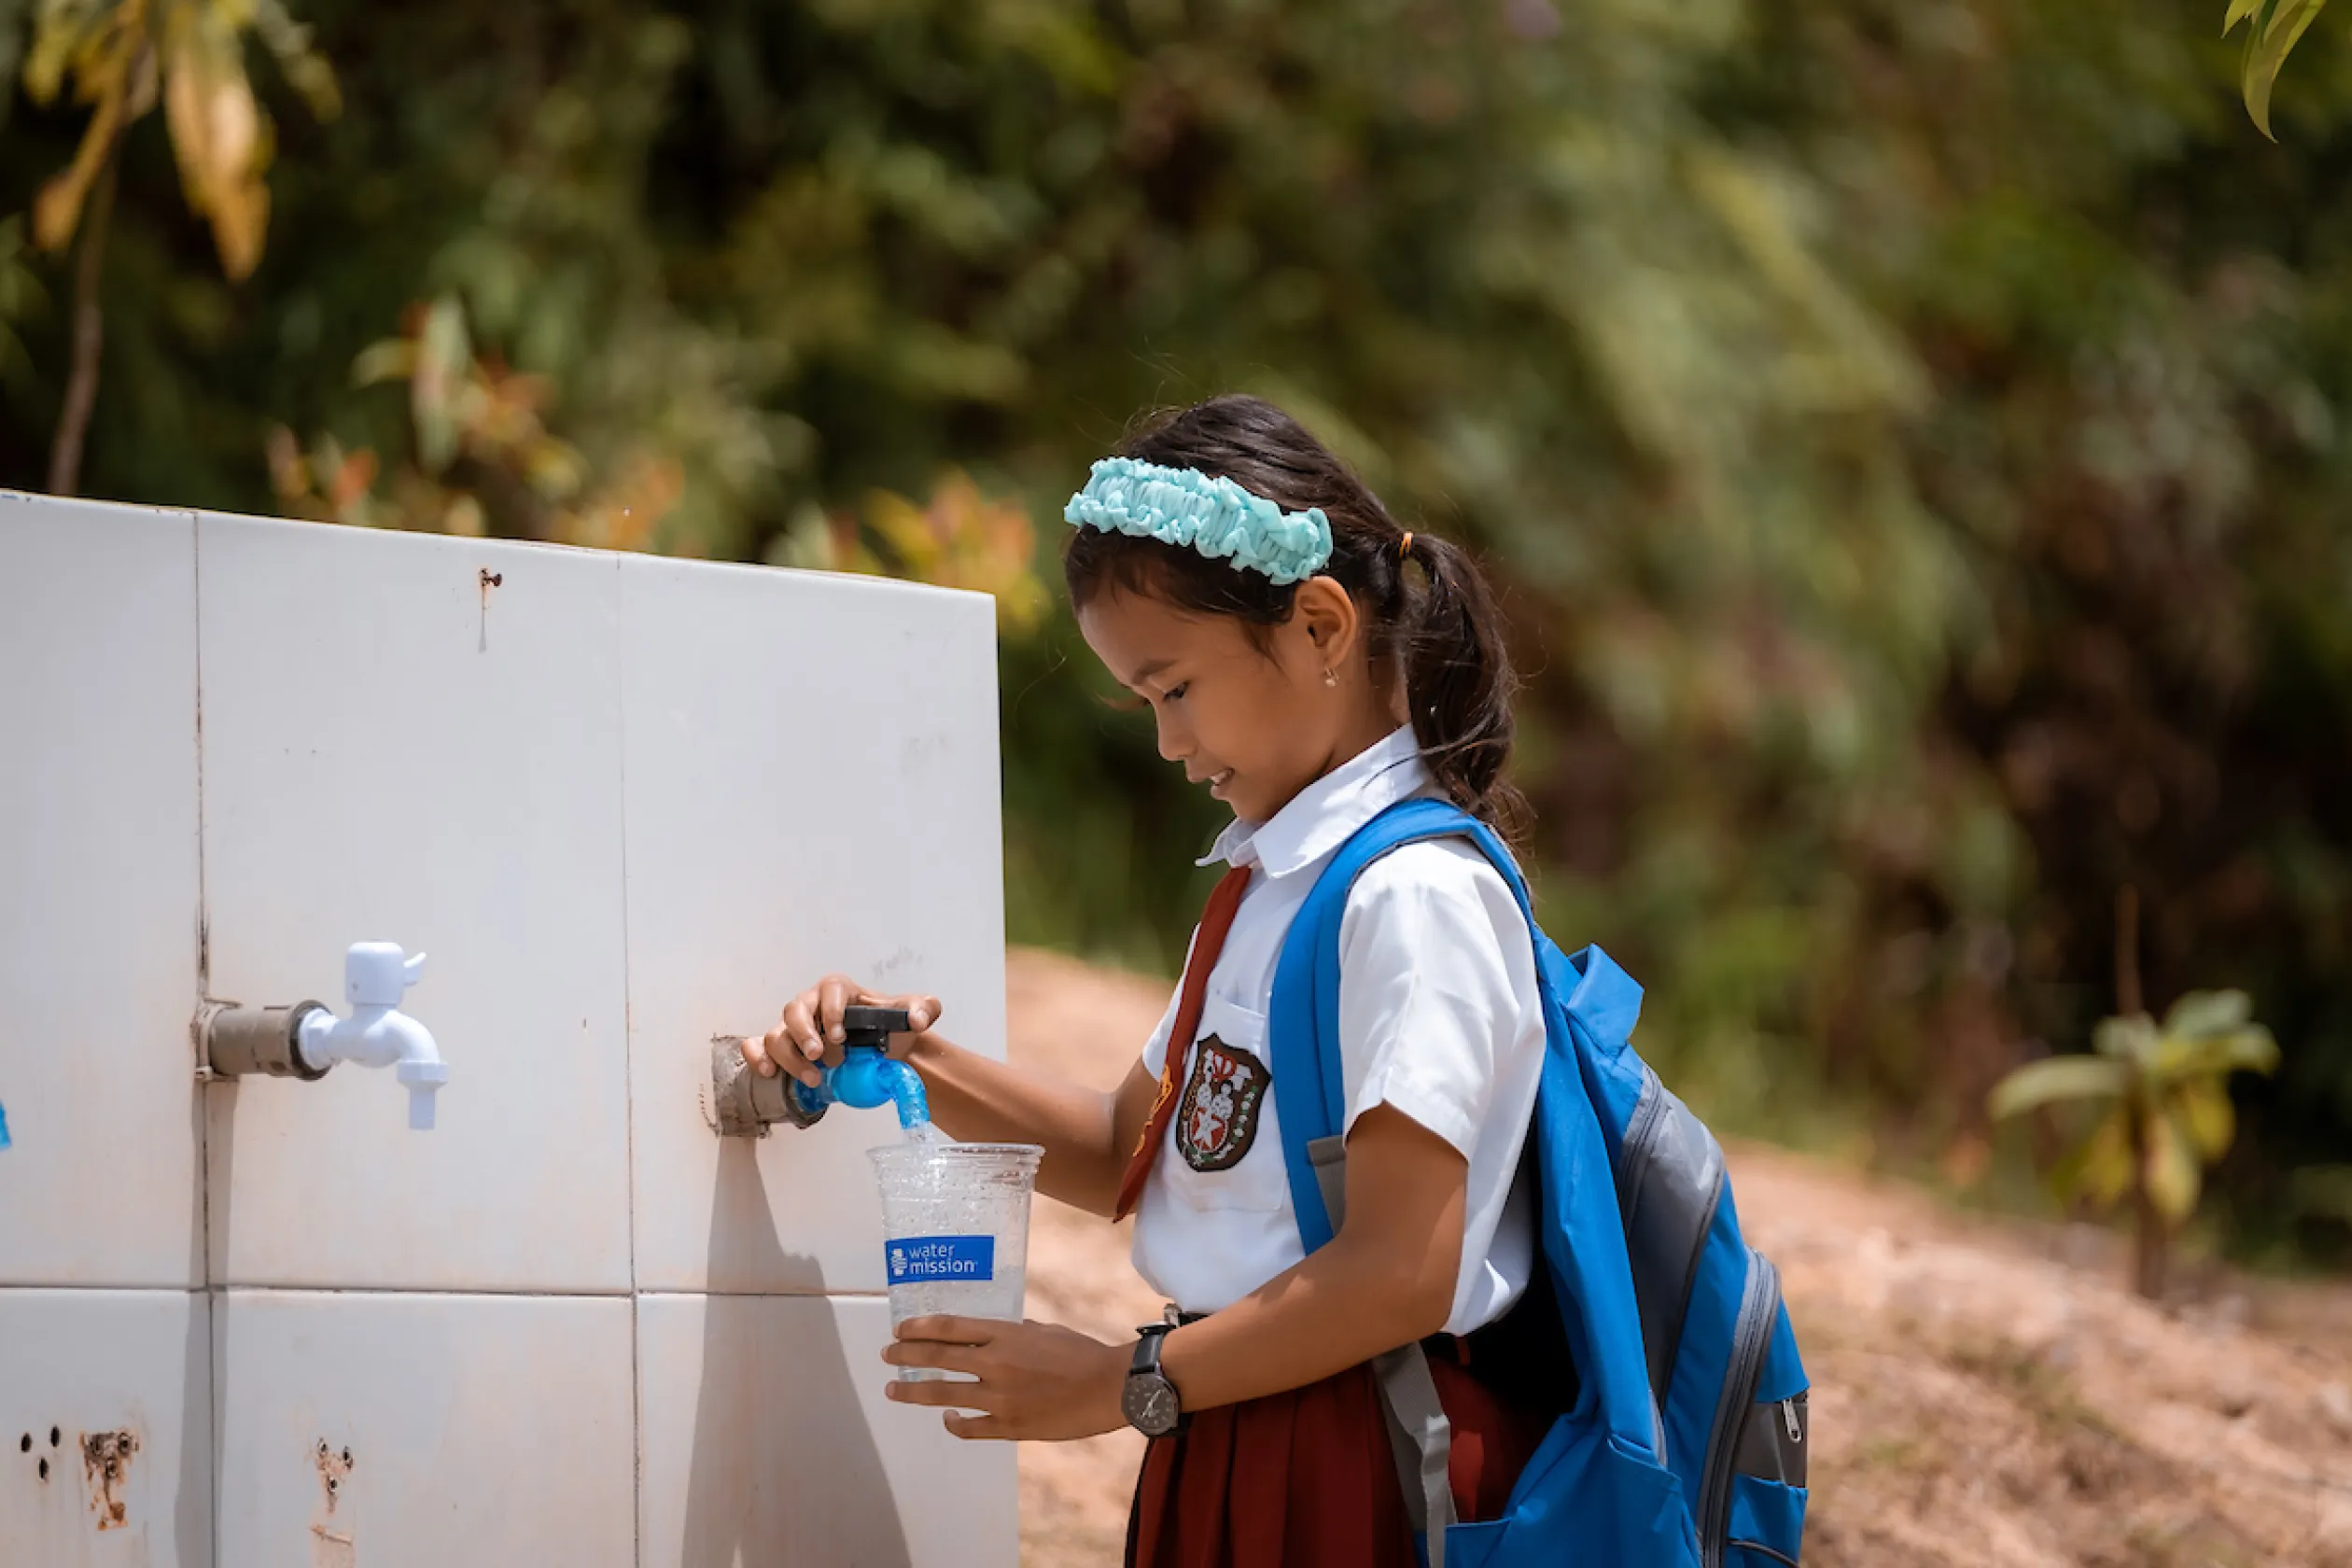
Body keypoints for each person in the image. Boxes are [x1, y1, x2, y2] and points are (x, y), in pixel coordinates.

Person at [740, 393, 1567, 1566]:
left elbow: (1398, 1275)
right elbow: (1123, 1152)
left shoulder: (1412, 898)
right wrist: (902, 1050)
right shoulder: (1271, 886)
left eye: (1175, 689)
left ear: (1320, 625)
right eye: (1147, 704)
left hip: (1355, 1454)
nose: (1170, 744)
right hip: (1232, 1420)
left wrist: (1118, 1381)